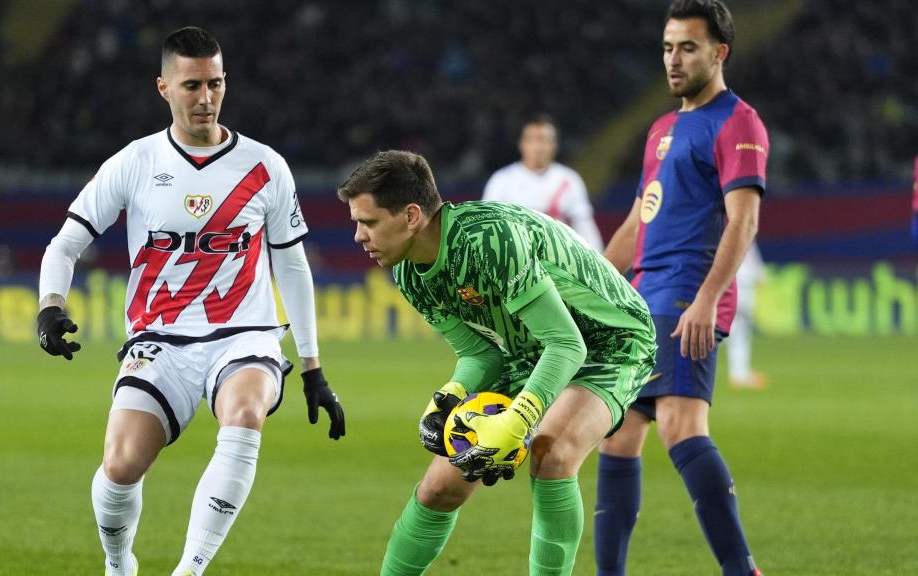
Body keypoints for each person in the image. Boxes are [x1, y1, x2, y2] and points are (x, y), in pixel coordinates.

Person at [36, 26, 345, 576]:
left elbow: (293, 266)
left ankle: (191, 569)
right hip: (161, 338)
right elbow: (65, 244)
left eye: (215, 84)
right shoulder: (135, 162)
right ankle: (118, 563)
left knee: (244, 414)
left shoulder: (265, 166)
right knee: (121, 464)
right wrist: (49, 305)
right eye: (192, 85)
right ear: (164, 88)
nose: (206, 98)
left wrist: (313, 366)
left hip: (245, 335)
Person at [337, 150, 657, 575]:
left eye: (369, 222)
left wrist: (521, 417)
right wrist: (450, 395)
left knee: (551, 454)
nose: (358, 235)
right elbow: (480, 352)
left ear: (411, 216)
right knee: (438, 489)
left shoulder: (490, 240)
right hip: (527, 350)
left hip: (610, 340)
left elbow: (567, 344)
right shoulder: (410, 272)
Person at [593, 1, 767, 575]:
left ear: (719, 53)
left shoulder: (737, 122)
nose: (674, 59)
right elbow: (638, 221)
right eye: (668, 48)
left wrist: (707, 299)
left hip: (688, 291)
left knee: (680, 425)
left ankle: (742, 569)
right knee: (617, 434)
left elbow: (744, 219)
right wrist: (590, 284)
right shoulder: (662, 129)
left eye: (688, 48)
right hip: (643, 297)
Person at [482, 114, 604, 251]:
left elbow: (584, 225)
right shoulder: (502, 180)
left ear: (554, 145)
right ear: (521, 144)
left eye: (544, 140)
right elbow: (486, 225)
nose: (538, 148)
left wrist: (598, 258)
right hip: (515, 255)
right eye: (532, 140)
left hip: (558, 256)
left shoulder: (569, 180)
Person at [726, 242, 767, 389]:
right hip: (741, 293)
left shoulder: (728, 241)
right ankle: (739, 374)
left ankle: (740, 373)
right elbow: (759, 274)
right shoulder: (746, 240)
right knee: (739, 336)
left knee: (736, 335)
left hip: (734, 292)